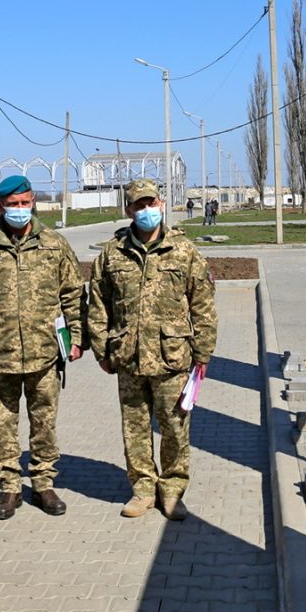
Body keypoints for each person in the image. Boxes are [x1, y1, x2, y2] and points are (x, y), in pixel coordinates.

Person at [0, 175, 85, 520]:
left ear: (33, 202)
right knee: (4, 425)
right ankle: (9, 488)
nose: (19, 210)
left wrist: (75, 339)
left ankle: (43, 484)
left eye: (25, 203)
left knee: (44, 423)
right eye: (12, 205)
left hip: (45, 353)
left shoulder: (54, 244)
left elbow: (72, 294)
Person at [87, 179, 217, 520]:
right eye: (139, 205)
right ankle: (143, 489)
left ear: (162, 204)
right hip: (127, 357)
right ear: (128, 210)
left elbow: (202, 303)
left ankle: (172, 491)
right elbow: (97, 303)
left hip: (171, 357)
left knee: (175, 427)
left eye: (152, 203)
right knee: (135, 428)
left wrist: (202, 353)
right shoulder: (112, 254)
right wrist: (101, 349)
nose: (147, 211)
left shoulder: (183, 251)